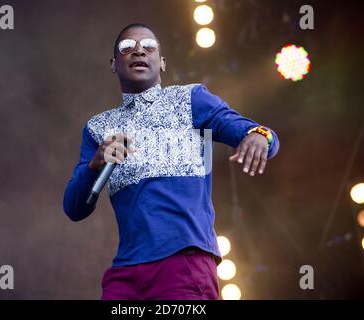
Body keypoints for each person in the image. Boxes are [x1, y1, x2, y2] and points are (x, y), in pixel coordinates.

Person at [63, 23, 279, 300]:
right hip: (126, 273)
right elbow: (74, 208)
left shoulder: (190, 100)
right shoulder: (98, 128)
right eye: (127, 48)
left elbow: (257, 132)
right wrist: (94, 165)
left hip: (184, 262)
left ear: (162, 62)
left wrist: (260, 137)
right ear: (113, 64)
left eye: (149, 47)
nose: (139, 50)